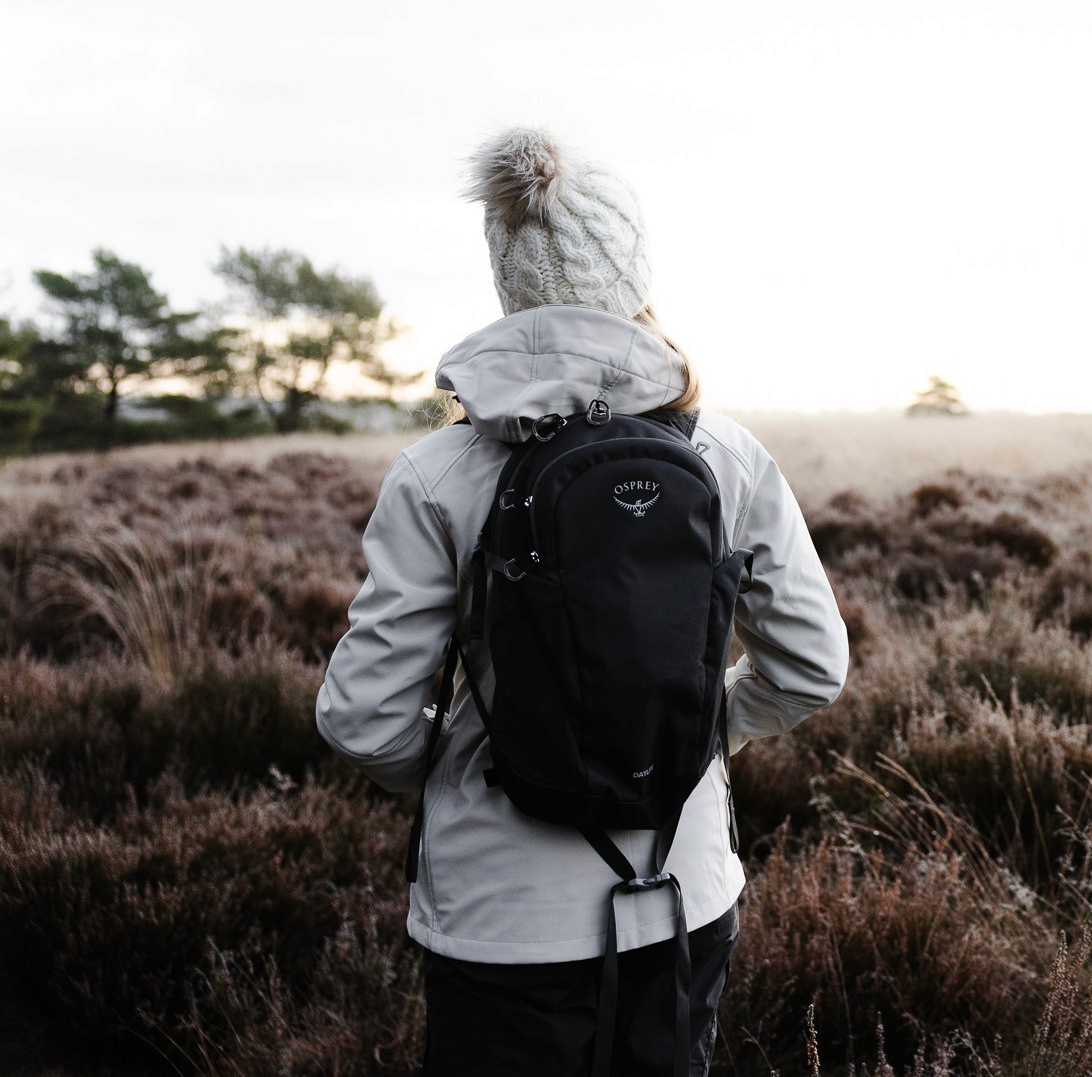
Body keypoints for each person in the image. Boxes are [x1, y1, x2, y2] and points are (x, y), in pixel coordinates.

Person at [315, 127, 848, 1076]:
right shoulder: (723, 453)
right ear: (635, 271)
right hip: (684, 894)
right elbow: (813, 667)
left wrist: (474, 763)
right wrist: (692, 729)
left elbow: (363, 720)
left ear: (507, 282)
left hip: (500, 921)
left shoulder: (436, 473)